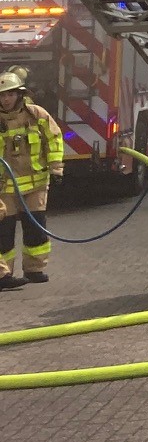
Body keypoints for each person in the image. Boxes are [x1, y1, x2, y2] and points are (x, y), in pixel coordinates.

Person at [0, 66, 62, 289]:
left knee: (36, 229)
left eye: (10, 94)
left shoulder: (37, 115)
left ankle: (34, 269)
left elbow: (54, 139)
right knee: (4, 232)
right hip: (4, 187)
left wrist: (56, 169)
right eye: (2, 95)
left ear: (20, 94)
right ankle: (4, 275)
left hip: (36, 184)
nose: (6, 100)